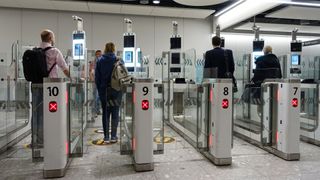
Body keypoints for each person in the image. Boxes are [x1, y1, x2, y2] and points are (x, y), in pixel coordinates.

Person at [32, 29, 70, 148]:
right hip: (51, 86)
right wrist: (72, 77)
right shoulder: (54, 51)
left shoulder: (34, 51)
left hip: (36, 85)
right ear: (50, 38)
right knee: (51, 112)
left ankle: (36, 139)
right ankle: (47, 137)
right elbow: (64, 68)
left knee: (36, 111)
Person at [95, 42, 122, 144]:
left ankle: (106, 137)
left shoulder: (100, 60)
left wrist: (100, 89)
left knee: (106, 113)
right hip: (116, 90)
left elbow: (97, 78)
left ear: (105, 49)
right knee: (115, 112)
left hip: (104, 90)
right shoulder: (119, 60)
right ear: (114, 49)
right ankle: (114, 136)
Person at [89, 50, 102, 119]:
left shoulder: (102, 62)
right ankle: (94, 112)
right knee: (95, 97)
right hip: (94, 82)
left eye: (99, 55)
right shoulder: (93, 63)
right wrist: (91, 78)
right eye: (97, 55)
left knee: (99, 97)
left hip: (101, 82)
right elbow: (90, 71)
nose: (98, 56)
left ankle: (98, 110)